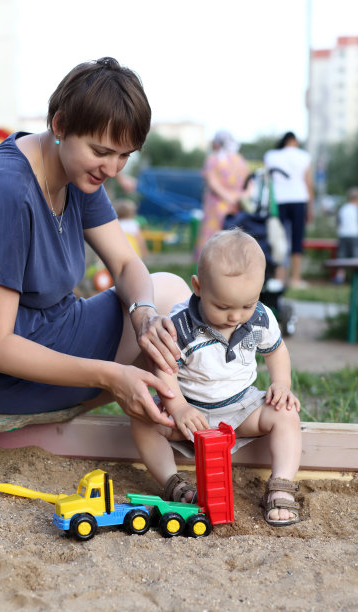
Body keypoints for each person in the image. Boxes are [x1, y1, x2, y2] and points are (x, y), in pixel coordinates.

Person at [0, 57, 192, 426]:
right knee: (173, 296)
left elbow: (126, 264)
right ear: (60, 124)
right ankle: (184, 424)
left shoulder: (77, 171)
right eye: (101, 152)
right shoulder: (6, 193)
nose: (111, 169)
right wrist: (109, 375)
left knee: (162, 306)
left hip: (55, 329)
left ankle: (179, 425)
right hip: (4, 376)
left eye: (124, 155)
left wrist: (142, 313)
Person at [131, 228, 302, 526]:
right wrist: (179, 407)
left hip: (240, 410)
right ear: (198, 287)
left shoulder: (260, 317)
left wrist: (281, 383)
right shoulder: (180, 324)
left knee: (286, 413)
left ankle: (281, 485)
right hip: (189, 414)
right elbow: (164, 367)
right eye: (223, 306)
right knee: (143, 419)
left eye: (247, 305)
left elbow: (276, 351)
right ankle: (173, 483)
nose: (235, 316)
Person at [264, 132, 314, 289]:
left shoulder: (271, 155)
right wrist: (311, 206)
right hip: (299, 200)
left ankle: (279, 277)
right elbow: (308, 182)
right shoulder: (304, 156)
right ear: (294, 141)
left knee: (279, 238)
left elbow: (268, 180)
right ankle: (295, 277)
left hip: (278, 201)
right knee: (297, 239)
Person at [195, 130, 249, 260]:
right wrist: (238, 197)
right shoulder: (240, 160)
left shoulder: (213, 159)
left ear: (217, 143)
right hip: (237, 206)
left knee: (213, 238)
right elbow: (249, 184)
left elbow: (213, 183)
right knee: (234, 238)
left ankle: (209, 270)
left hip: (216, 205)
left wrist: (228, 197)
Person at [334, 187, 358, 283]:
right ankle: (355, 279)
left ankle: (340, 277)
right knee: (355, 257)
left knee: (342, 257)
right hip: (355, 235)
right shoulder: (355, 209)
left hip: (343, 235)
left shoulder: (343, 209)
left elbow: (338, 222)